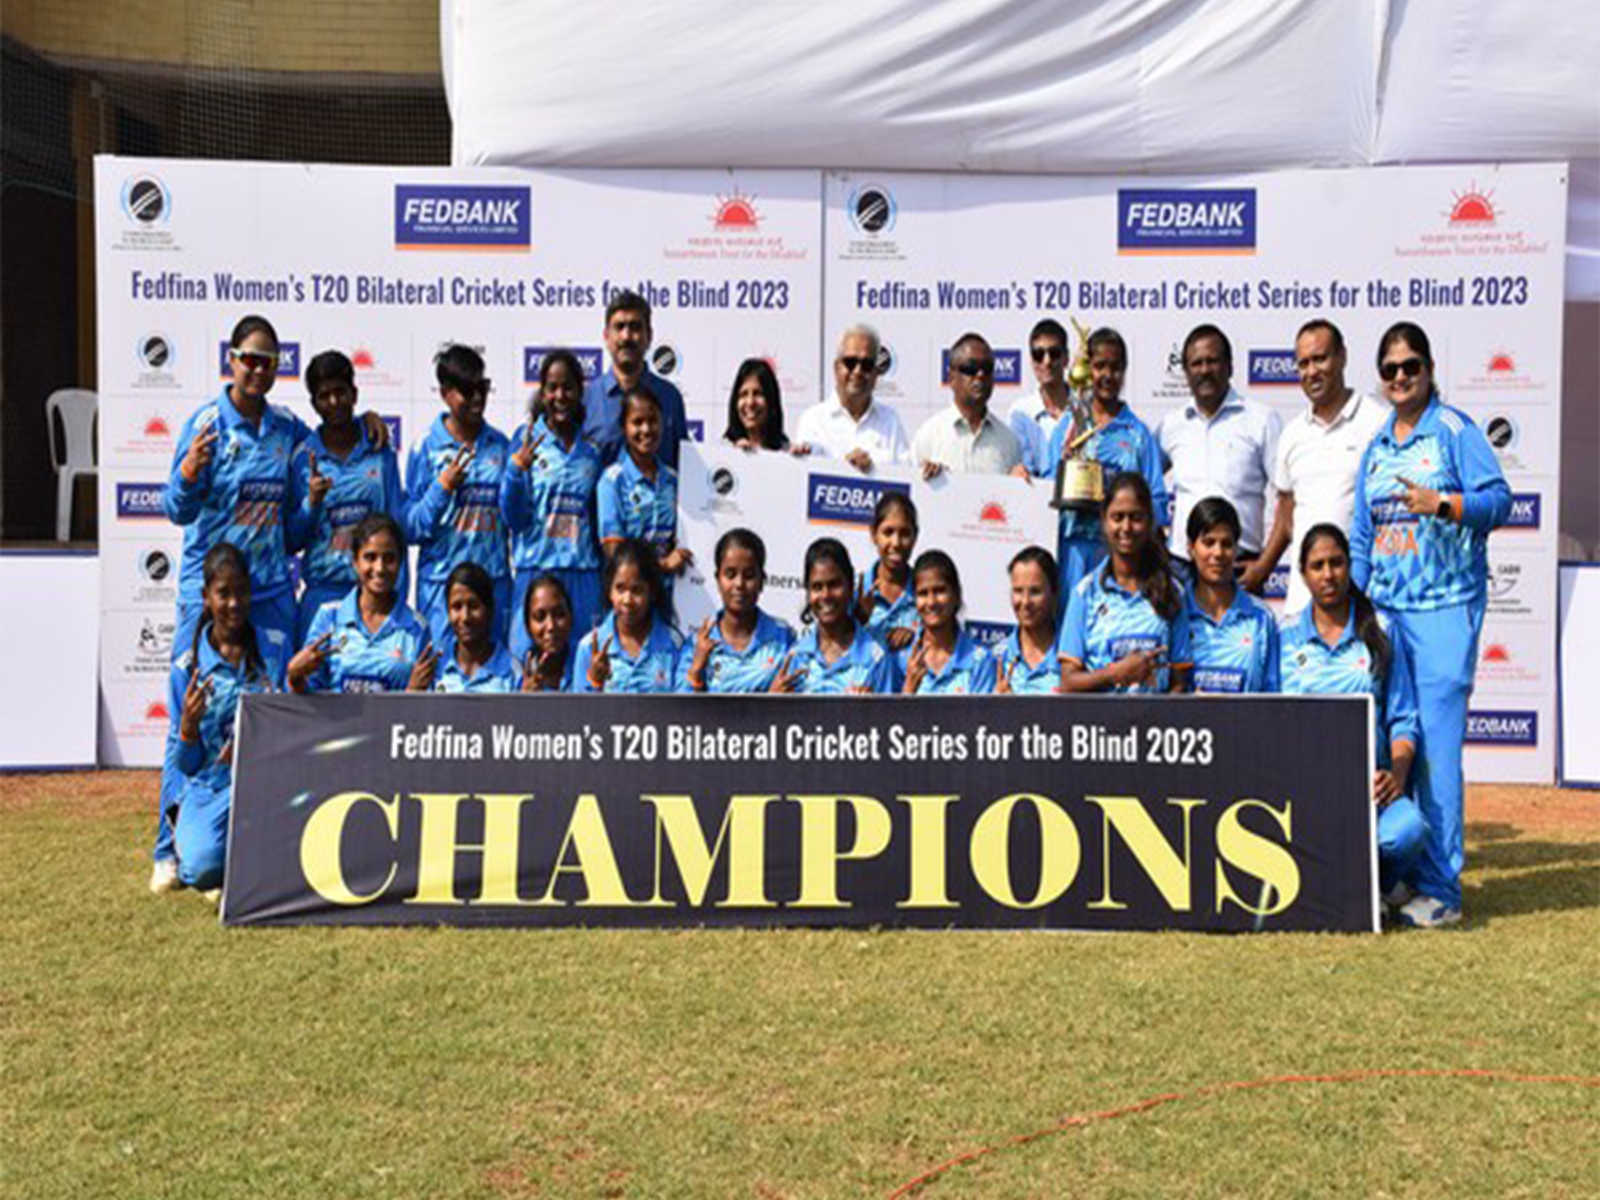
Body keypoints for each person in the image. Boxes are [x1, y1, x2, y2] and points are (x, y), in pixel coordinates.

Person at [154, 314, 386, 892]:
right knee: (192, 714)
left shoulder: (288, 431)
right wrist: (186, 474)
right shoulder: (205, 423)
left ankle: (273, 838)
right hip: (209, 597)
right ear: (230, 360)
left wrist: (370, 424)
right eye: (247, 357)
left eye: (267, 360)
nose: (257, 368)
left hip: (272, 594)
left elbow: (303, 513)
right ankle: (167, 846)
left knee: (281, 712)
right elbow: (175, 507)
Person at [1350, 321, 1512, 928]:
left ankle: (1442, 891)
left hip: (1445, 609)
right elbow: (1363, 534)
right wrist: (1358, 601)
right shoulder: (1377, 446)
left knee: (1438, 755)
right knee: (1400, 748)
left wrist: (1441, 503)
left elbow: (1499, 501)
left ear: (1429, 368)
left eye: (1409, 366)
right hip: (1387, 616)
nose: (1399, 378)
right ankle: (1406, 877)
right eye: (1389, 369)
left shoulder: (1454, 431)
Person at [1282, 523, 1428, 913]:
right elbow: (1269, 720)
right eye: (1317, 566)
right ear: (1303, 573)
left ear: (1350, 566)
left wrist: (1395, 777)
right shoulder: (1285, 638)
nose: (1328, 574)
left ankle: (1374, 886)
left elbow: (1403, 719)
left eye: (1336, 563)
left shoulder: (1380, 631)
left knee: (1408, 832)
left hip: (1368, 791)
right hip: (1304, 792)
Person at [160, 542, 289, 899]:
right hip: (211, 790)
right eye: (223, 593)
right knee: (201, 869)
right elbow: (186, 765)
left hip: (269, 784)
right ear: (206, 596)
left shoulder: (276, 647)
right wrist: (187, 729)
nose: (234, 603)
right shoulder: (186, 670)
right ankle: (193, 834)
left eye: (241, 592)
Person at [1247, 319, 1388, 612]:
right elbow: (1286, 516)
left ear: (1342, 357)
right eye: (1303, 364)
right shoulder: (1292, 434)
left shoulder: (1378, 423)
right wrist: (1262, 568)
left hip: (1363, 597)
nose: (1312, 371)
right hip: (1303, 601)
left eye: (1320, 359)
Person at [287, 349, 406, 645]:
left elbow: (397, 529)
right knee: (315, 688)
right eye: (324, 395)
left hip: (375, 590)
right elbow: (291, 540)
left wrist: (398, 596)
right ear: (313, 402)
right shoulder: (303, 458)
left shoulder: (379, 449)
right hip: (322, 594)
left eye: (340, 392)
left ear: (354, 393)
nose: (334, 402)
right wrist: (310, 504)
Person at [1044, 327, 1166, 599]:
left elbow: (1157, 500)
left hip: (1124, 558)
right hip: (1072, 553)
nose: (1108, 376)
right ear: (1088, 370)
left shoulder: (1137, 434)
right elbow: (1045, 489)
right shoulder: (1069, 426)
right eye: (1100, 366)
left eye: (1116, 367)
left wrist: (1127, 514)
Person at [405, 344, 512, 647]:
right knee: (441, 683)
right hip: (441, 587)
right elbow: (411, 527)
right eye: (467, 390)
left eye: (482, 387)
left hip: (492, 584)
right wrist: (442, 489)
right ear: (444, 393)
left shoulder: (501, 446)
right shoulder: (425, 447)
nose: (477, 398)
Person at [500, 349, 604, 661]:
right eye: (552, 387)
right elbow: (512, 518)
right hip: (536, 568)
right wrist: (516, 473)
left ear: (580, 392)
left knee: (582, 666)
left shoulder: (592, 451)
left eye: (568, 387)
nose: (560, 395)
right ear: (542, 392)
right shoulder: (526, 439)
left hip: (582, 573)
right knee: (526, 666)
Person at [1157, 324, 1282, 573]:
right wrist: (1158, 548)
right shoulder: (1171, 424)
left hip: (1240, 567)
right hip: (1182, 568)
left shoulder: (1261, 420)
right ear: (1185, 371)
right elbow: (1142, 485)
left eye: (1213, 361)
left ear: (1230, 366)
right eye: (1196, 363)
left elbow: (1289, 499)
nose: (1205, 370)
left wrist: (1266, 564)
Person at [1058, 472, 1191, 694]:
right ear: (1103, 520)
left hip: (1157, 726)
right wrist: (1114, 674)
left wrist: (1158, 721)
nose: (1126, 528)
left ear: (1149, 521)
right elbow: (1068, 682)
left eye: (1135, 518)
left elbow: (1179, 681)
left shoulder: (1171, 590)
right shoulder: (1085, 593)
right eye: (1117, 517)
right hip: (1100, 727)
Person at [289, 514, 435, 694]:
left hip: (395, 722)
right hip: (334, 722)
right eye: (370, 557)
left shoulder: (416, 628)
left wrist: (412, 694)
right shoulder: (329, 618)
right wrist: (294, 677)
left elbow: (427, 709)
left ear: (400, 563)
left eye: (389, 558)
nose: (380, 568)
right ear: (355, 561)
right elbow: (309, 699)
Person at [580, 290, 690, 469]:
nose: (626, 336)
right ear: (606, 336)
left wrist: (741, 456)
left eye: (635, 327)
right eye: (619, 327)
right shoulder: (586, 399)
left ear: (649, 336)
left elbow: (686, 468)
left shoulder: (670, 397)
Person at [677, 529, 794, 693]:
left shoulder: (783, 638)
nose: (739, 584)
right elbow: (679, 713)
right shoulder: (698, 643)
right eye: (730, 575)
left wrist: (773, 702)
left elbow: (798, 706)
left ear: (762, 581)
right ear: (718, 580)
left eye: (749, 575)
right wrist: (696, 671)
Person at [1183, 497, 1280, 694]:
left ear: (1236, 550)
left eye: (1226, 544)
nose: (1218, 553)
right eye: (1208, 542)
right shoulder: (1175, 612)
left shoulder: (1260, 618)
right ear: (1191, 548)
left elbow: (1273, 697)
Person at [597, 386, 691, 584]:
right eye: (637, 422)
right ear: (624, 427)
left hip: (670, 598)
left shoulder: (674, 480)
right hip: (630, 596)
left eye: (653, 421)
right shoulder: (611, 481)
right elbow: (614, 553)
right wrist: (662, 565)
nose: (646, 430)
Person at [787, 538, 899, 694]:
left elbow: (890, 717)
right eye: (817, 587)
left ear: (850, 585)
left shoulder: (876, 657)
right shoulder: (797, 656)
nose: (826, 595)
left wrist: (870, 711)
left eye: (834, 585)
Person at [793, 324, 911, 471]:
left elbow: (905, 478)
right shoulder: (813, 421)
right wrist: (845, 470)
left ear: (876, 373)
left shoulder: (890, 420)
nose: (858, 371)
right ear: (836, 368)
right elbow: (805, 480)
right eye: (850, 363)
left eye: (866, 365)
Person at [571, 538, 682, 693]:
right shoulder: (588, 648)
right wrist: (595, 682)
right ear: (609, 590)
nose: (627, 600)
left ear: (652, 592)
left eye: (637, 590)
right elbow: (578, 714)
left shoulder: (674, 645)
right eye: (620, 589)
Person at [911, 332, 1026, 479]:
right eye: (971, 368)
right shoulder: (928, 437)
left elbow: (1014, 500)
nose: (980, 375)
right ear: (951, 377)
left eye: (987, 367)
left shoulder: (1010, 441)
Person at [899, 550, 998, 695]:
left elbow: (982, 717)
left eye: (939, 591)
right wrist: (908, 690)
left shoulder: (980, 660)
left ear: (956, 594)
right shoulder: (901, 655)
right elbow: (887, 716)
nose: (931, 602)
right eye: (923, 593)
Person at [432, 562, 519, 693]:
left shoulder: (512, 671)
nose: (465, 617)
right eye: (457, 607)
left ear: (490, 609)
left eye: (473, 606)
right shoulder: (436, 668)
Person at [1008, 318, 1072, 478]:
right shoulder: (1020, 412)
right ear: (1031, 361)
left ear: (1066, 358)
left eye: (1054, 353)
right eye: (1039, 354)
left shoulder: (1085, 410)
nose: (1047, 361)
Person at [855, 492, 920, 651]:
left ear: (915, 536)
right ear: (873, 534)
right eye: (888, 532)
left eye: (905, 533)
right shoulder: (854, 590)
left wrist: (918, 638)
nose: (896, 543)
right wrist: (860, 621)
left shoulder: (926, 593)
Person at [995, 547, 1061, 694]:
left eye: (1035, 592)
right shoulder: (996, 659)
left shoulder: (1071, 658)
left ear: (1055, 592)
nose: (1025, 602)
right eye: (1018, 591)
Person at [722, 358, 801, 453]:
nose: (750, 402)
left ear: (771, 401)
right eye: (743, 394)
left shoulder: (786, 452)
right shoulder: (721, 451)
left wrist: (801, 461)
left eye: (758, 393)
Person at [519, 574, 578, 692]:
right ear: (527, 625)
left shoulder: (586, 662)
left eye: (559, 614)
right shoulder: (517, 673)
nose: (551, 626)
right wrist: (523, 701)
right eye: (540, 617)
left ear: (571, 618)